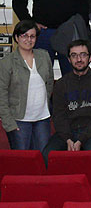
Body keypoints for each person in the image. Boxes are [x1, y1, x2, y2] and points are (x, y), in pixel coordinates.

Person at [43, 40, 91, 164]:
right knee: (48, 154)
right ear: (69, 59)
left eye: (83, 55)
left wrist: (81, 140)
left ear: (90, 57)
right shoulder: (61, 84)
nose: (79, 59)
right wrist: (68, 139)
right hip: (67, 131)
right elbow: (58, 116)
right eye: (74, 55)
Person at [0, 20, 53, 151]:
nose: (28, 39)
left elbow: (50, 82)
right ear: (17, 38)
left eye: (32, 36)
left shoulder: (44, 56)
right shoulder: (7, 62)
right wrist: (9, 123)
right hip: (19, 120)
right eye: (24, 35)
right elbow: (1, 94)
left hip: (42, 118)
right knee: (22, 162)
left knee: (43, 159)